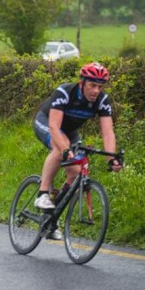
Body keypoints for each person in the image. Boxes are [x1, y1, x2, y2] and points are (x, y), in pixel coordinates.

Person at [32, 62, 122, 240]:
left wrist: (111, 158)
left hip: (70, 132)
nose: (96, 90)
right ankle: (42, 194)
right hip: (47, 122)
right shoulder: (65, 92)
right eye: (92, 85)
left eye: (100, 86)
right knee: (60, 149)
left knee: (75, 174)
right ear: (82, 82)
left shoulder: (103, 101)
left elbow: (107, 132)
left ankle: (51, 216)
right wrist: (65, 149)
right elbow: (54, 127)